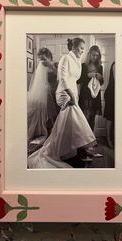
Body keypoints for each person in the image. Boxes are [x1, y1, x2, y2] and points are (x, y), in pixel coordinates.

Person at [27, 38, 96, 168]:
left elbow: (73, 78)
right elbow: (63, 78)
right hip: (64, 93)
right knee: (74, 119)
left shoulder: (76, 61)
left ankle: (68, 150)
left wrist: (75, 93)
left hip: (71, 92)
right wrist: (70, 94)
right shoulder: (64, 59)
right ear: (74, 47)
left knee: (65, 123)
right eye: (81, 48)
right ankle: (77, 149)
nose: (82, 51)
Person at [27, 48, 59, 146]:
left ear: (49, 56)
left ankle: (56, 139)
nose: (43, 61)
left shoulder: (56, 64)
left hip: (56, 93)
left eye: (44, 58)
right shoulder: (40, 68)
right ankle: (49, 139)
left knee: (57, 117)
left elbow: (60, 76)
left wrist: (51, 65)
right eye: (41, 59)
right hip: (47, 95)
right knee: (48, 118)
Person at [78, 45, 104, 131]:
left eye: (97, 55)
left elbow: (102, 83)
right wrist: (88, 76)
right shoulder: (83, 66)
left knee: (92, 117)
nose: (95, 57)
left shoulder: (100, 67)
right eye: (93, 55)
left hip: (95, 95)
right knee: (84, 117)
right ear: (89, 54)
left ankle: (91, 139)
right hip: (85, 95)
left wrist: (100, 78)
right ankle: (84, 139)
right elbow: (78, 81)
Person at [104, 61, 115, 148]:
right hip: (111, 94)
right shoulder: (115, 64)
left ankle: (113, 138)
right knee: (110, 117)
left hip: (116, 93)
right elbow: (116, 80)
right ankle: (108, 139)